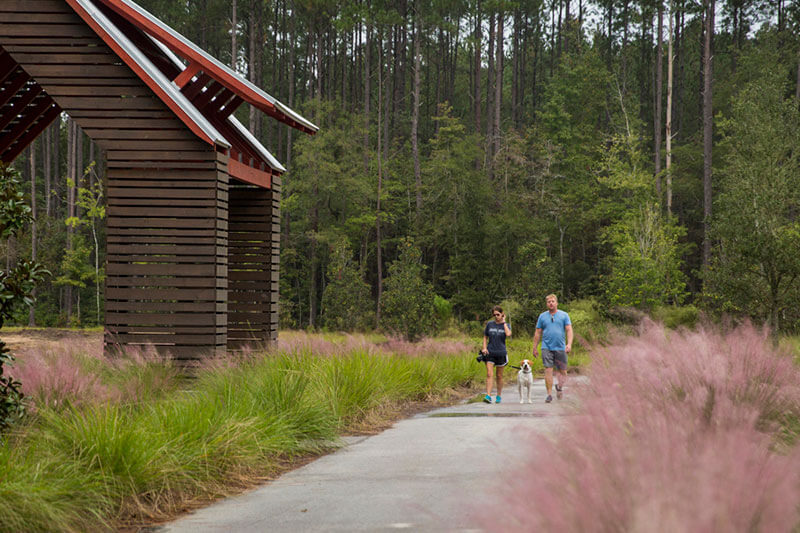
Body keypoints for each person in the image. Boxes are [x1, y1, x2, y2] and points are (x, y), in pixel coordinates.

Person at [532, 294, 572, 403]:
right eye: (549, 301)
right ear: (546, 304)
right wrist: (534, 347)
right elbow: (538, 332)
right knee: (548, 370)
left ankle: (559, 386)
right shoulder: (542, 316)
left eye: (553, 301)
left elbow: (569, 330)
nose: (551, 303)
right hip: (546, 347)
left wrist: (569, 344)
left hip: (560, 347)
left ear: (556, 303)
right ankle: (549, 394)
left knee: (563, 372)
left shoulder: (564, 315)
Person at [481, 305, 512, 404]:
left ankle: (498, 395)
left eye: (498, 314)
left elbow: (508, 334)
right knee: (489, 374)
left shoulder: (506, 325)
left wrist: (504, 323)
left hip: (501, 353)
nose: (496, 316)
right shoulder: (490, 324)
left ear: (502, 314)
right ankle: (488, 395)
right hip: (490, 352)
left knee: (499, 375)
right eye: (494, 315)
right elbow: (485, 337)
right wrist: (484, 348)